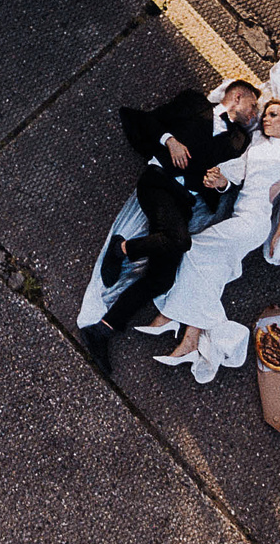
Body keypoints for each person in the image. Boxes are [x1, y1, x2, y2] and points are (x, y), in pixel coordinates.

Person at [78, 80, 259, 376]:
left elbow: (229, 183)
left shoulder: (239, 141)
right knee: (180, 240)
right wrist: (169, 140)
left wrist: (221, 183)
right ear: (237, 96)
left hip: (184, 201)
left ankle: (103, 329)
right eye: (252, 106)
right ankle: (122, 249)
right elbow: (148, 120)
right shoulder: (194, 103)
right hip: (158, 183)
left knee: (162, 279)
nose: (254, 115)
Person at [145, 99, 280, 380]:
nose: (266, 120)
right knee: (211, 272)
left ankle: (182, 319)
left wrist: (278, 234)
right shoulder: (257, 148)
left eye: (273, 115)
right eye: (265, 115)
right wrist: (219, 179)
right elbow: (235, 173)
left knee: (194, 249)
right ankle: (189, 341)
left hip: (254, 224)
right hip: (240, 217)